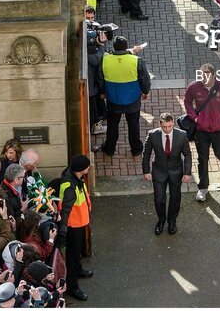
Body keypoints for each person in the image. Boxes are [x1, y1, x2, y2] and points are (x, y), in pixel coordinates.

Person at [183, 64, 220, 202]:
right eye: (202, 75)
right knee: (202, 158)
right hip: (201, 130)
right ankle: (203, 188)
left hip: (219, 129)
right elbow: (187, 101)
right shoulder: (194, 87)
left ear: (214, 75)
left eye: (207, 76)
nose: (204, 79)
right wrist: (194, 117)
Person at [96, 35, 151, 158]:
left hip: (113, 99)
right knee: (133, 125)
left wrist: (103, 92)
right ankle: (136, 149)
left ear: (114, 47)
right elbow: (144, 79)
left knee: (112, 125)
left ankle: (109, 148)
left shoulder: (105, 59)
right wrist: (145, 91)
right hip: (132, 99)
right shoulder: (136, 60)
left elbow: (100, 79)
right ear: (127, 47)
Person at [142, 113, 192, 235]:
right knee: (159, 199)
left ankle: (172, 221)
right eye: (164, 127)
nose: (167, 129)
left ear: (173, 123)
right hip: (159, 171)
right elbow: (146, 153)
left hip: (176, 171)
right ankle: (161, 220)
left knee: (175, 198)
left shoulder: (182, 135)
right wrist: (146, 170)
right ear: (160, 124)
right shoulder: (153, 135)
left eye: (169, 126)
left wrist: (187, 172)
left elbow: (187, 154)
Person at [58, 154, 93, 302]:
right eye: (87, 166)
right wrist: (63, 230)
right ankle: (72, 286)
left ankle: (78, 270)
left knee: (77, 252)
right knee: (72, 256)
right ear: (81, 170)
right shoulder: (70, 187)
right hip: (74, 226)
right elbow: (65, 210)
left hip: (78, 222)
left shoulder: (73, 177)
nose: (89, 168)